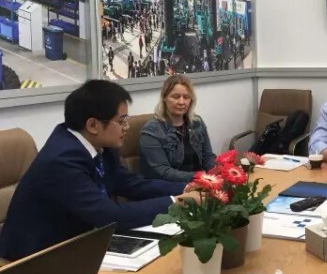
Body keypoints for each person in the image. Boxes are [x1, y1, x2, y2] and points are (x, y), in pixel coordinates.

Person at [0, 80, 194, 262]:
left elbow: (130, 184)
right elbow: (109, 216)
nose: (126, 127)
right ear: (93, 125)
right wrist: (178, 203)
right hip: (35, 258)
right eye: (122, 121)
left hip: (83, 241)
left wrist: (187, 188)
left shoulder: (100, 144)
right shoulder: (61, 160)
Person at [139, 75, 216, 182]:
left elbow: (208, 156)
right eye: (176, 97)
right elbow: (163, 172)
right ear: (164, 97)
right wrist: (200, 177)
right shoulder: (151, 131)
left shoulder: (197, 123)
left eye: (186, 97)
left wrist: (215, 173)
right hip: (170, 186)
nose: (181, 102)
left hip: (200, 182)